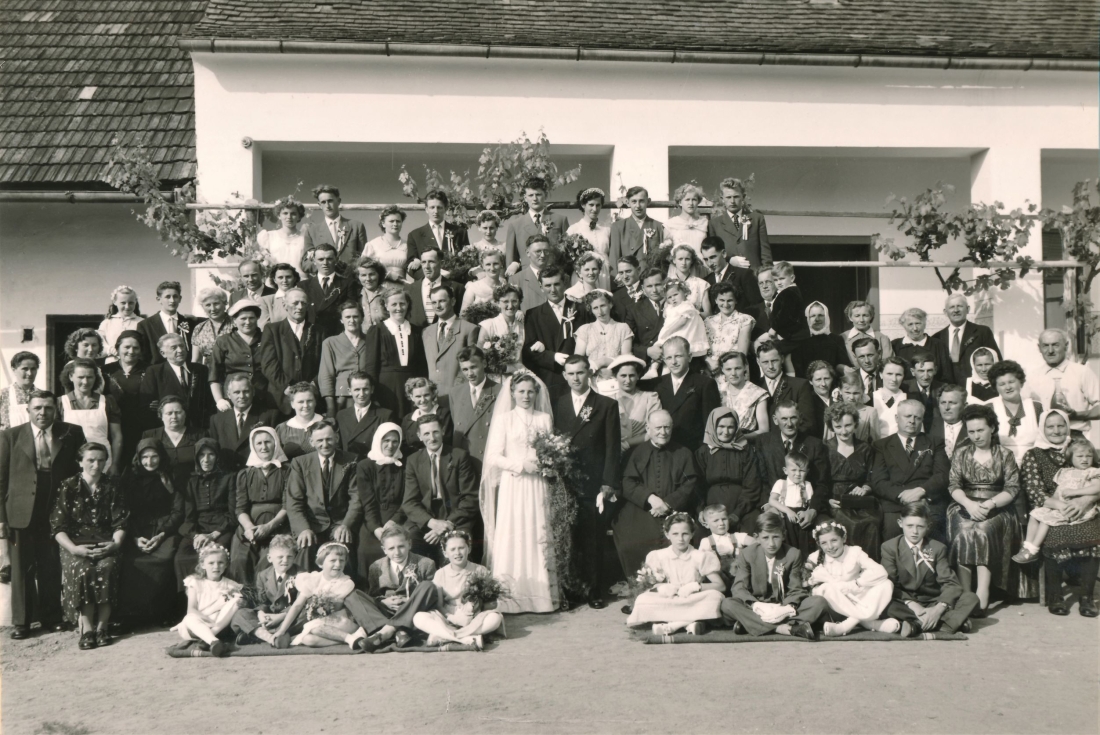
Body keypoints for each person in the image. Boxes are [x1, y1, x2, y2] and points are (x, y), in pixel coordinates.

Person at [0, 391, 85, 638]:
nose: (43, 413)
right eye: (37, 408)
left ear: (55, 410)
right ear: (28, 410)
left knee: (50, 563)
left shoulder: (71, 433)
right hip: (21, 510)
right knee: (22, 566)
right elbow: (1, 480)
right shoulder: (10, 436)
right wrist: (2, 520)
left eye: (48, 408)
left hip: (56, 507)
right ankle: (22, 622)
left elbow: (78, 473)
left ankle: (52, 616)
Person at [554, 357, 622, 608]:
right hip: (566, 482)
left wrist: (608, 483)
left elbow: (613, 448)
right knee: (568, 538)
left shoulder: (605, 405)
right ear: (564, 375)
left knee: (593, 539)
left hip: (594, 483)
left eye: (580, 373)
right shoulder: (559, 404)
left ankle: (594, 590)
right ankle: (571, 591)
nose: (575, 378)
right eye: (570, 373)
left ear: (589, 373)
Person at [1019, 409, 1100, 617]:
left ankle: (1087, 597)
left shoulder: (1080, 448)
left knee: (1092, 535)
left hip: (1085, 508)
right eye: (1050, 426)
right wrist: (1060, 506)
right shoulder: (1034, 454)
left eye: (1061, 425)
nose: (1056, 430)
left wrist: (1084, 502)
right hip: (1053, 508)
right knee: (1054, 535)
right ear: (1042, 428)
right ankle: (1055, 596)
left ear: (1067, 426)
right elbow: (1034, 491)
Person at [51, 442, 128, 649]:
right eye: (91, 460)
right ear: (80, 462)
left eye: (101, 460)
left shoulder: (112, 486)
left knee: (107, 568)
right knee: (84, 570)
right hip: (75, 545)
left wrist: (116, 544)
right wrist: (74, 549)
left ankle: (103, 627)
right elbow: (58, 527)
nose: (96, 464)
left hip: (106, 543)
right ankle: (87, 628)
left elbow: (120, 522)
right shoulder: (68, 486)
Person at [947, 404, 1023, 612]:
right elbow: (953, 485)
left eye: (980, 430)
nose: (976, 436)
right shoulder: (961, 454)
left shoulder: (1005, 454)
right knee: (963, 532)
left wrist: (989, 504)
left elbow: (1012, 487)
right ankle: (965, 594)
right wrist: (970, 505)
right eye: (971, 431)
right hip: (965, 503)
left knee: (983, 531)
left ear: (992, 428)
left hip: (997, 504)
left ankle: (982, 592)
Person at [613, 410, 700, 578]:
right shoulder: (635, 452)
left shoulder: (683, 452)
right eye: (658, 427)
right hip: (642, 508)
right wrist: (650, 498)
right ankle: (639, 586)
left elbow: (691, 483)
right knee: (630, 543)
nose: (663, 432)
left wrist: (668, 503)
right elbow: (627, 482)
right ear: (648, 428)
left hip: (675, 508)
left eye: (667, 427)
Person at [718, 512, 825, 640]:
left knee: (819, 602)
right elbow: (739, 587)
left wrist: (787, 607)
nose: (771, 543)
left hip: (782, 605)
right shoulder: (747, 554)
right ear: (757, 538)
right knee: (727, 604)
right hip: (757, 606)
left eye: (775, 537)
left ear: (783, 536)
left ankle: (750, 624)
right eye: (765, 538)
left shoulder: (793, 554)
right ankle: (786, 628)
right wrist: (755, 605)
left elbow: (796, 588)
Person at [880, 501, 979, 636]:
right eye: (909, 526)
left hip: (933, 601)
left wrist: (937, 609)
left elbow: (951, 584)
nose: (914, 531)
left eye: (920, 526)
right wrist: (912, 604)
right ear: (900, 523)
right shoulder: (889, 547)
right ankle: (948, 623)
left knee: (970, 597)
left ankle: (917, 625)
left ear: (928, 527)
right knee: (881, 602)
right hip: (905, 602)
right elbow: (890, 584)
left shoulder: (937, 548)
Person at [626, 513, 725, 636]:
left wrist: (696, 586)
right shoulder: (657, 556)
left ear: (692, 534)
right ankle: (689, 622)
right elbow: (646, 585)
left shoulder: (700, 556)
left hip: (692, 598)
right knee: (643, 599)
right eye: (675, 534)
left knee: (715, 597)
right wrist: (660, 587)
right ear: (667, 534)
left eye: (685, 534)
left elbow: (720, 586)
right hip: (668, 598)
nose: (680, 539)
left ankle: (672, 625)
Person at [118, 438, 183, 626]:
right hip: (137, 530)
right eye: (145, 457)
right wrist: (135, 537)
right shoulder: (129, 477)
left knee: (166, 558)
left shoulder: (171, 475)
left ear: (161, 456)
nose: (150, 461)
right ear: (138, 458)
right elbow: (124, 512)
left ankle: (162, 613)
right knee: (130, 560)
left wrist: (162, 534)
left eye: (154, 456)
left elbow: (178, 510)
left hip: (166, 529)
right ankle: (135, 616)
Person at [754, 400, 831, 555]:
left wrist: (813, 510)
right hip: (774, 505)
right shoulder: (764, 442)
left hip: (805, 507)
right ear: (776, 420)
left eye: (793, 418)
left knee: (824, 527)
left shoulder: (814, 444)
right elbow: (760, 479)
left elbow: (822, 483)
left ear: (800, 418)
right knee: (767, 525)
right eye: (784, 419)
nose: (789, 423)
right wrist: (769, 505)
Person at [402, 414, 479, 565]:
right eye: (426, 434)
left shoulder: (459, 456)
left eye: (435, 432)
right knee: (411, 547)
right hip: (426, 519)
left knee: (454, 551)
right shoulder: (413, 461)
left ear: (443, 431)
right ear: (419, 436)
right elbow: (409, 502)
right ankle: (419, 587)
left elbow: (470, 499)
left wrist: (447, 524)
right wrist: (432, 523)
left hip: (456, 517)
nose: (432, 437)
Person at [284, 420, 359, 573]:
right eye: (319, 440)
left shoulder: (351, 460)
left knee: (342, 546)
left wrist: (345, 525)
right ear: (311, 442)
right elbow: (294, 501)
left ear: (336, 438)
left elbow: (356, 498)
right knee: (305, 546)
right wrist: (303, 529)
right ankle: (303, 591)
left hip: (339, 522)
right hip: (311, 523)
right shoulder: (300, 463)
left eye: (329, 439)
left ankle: (344, 589)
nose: (325, 444)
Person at [871, 399, 950, 541]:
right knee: (891, 530)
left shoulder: (934, 442)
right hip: (896, 503)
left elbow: (942, 475)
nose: (912, 421)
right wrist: (903, 496)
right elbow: (879, 481)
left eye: (917, 417)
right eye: (907, 416)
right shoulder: (881, 445)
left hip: (927, 501)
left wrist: (921, 491)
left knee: (934, 528)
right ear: (897, 418)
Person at [412, 529, 504, 649]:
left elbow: (489, 603)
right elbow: (439, 605)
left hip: (473, 618)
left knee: (495, 618)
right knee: (418, 617)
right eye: (452, 549)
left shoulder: (480, 571)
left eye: (461, 548)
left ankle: (444, 637)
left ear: (469, 549)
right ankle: (467, 639)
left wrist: (473, 610)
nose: (458, 552)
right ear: (445, 553)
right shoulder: (441, 574)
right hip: (447, 617)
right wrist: (452, 618)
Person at [804, 521, 898, 637]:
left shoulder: (855, 552)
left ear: (844, 538)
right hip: (836, 604)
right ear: (819, 544)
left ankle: (846, 625)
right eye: (824, 543)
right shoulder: (815, 558)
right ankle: (869, 623)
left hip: (857, 596)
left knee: (886, 583)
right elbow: (808, 585)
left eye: (834, 540)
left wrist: (855, 584)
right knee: (825, 589)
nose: (830, 547)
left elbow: (880, 572)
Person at [1014, 438, 1100, 563]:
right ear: (1071, 458)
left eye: (1089, 456)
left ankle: (1033, 550)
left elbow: (1097, 488)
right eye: (1080, 456)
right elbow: (1058, 491)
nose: (1084, 459)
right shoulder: (1065, 472)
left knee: (1045, 520)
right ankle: (1027, 546)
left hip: (1079, 508)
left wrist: (1074, 492)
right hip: (1062, 505)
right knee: (1035, 514)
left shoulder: (1092, 472)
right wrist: (1050, 504)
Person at [360, 525, 442, 649]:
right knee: (356, 594)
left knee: (428, 586)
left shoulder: (426, 563)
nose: (397, 552)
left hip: (414, 610)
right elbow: (373, 595)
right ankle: (400, 631)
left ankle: (387, 631)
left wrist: (410, 601)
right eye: (391, 548)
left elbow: (431, 596)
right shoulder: (376, 566)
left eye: (401, 546)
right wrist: (383, 601)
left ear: (409, 544)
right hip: (387, 611)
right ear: (384, 549)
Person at [230, 428, 291, 584]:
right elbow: (240, 508)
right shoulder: (245, 473)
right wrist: (249, 528)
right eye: (259, 443)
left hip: (278, 525)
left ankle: (265, 600)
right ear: (253, 446)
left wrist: (269, 527)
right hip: (249, 528)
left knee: (267, 562)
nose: (264, 447)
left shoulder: (287, 471)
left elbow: (288, 505)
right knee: (239, 559)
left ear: (275, 443)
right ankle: (245, 600)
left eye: (267, 442)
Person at [522, 265, 589, 403]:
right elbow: (529, 351)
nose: (553, 290)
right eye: (547, 285)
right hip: (551, 379)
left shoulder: (581, 310)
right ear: (541, 287)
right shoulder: (533, 315)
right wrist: (552, 357)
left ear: (565, 284)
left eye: (557, 284)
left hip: (580, 377)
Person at [174, 438, 235, 591]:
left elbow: (233, 512)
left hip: (222, 528)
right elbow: (189, 516)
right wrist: (195, 535)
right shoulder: (192, 481)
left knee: (216, 557)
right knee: (182, 557)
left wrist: (214, 534)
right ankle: (190, 600)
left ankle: (216, 597)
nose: (206, 459)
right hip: (199, 529)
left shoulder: (228, 478)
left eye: (211, 454)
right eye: (202, 455)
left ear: (217, 457)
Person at [824, 401, 881, 561]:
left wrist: (866, 487)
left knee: (872, 522)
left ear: (856, 424)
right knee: (848, 523)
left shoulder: (865, 449)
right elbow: (819, 481)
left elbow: (872, 475)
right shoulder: (825, 449)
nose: (844, 431)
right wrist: (827, 499)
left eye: (848, 425)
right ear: (831, 427)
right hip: (836, 500)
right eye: (838, 426)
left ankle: (869, 568)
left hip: (860, 500)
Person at [281, 542, 361, 648]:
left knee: (313, 627)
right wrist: (282, 631)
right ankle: (352, 638)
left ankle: (350, 637)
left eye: (341, 560)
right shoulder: (313, 579)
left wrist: (317, 608)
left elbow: (335, 609)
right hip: (320, 623)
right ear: (321, 563)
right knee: (307, 639)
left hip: (340, 620)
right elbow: (297, 605)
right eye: (333, 560)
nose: (338, 564)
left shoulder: (345, 582)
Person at [695, 407, 762, 533]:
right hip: (711, 506)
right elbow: (697, 487)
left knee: (751, 526)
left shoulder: (746, 451)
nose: (726, 432)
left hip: (742, 506)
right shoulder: (703, 452)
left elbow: (752, 485)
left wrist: (737, 513)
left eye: (730, 427)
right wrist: (701, 511)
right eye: (721, 426)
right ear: (713, 426)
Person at [364, 287, 428, 416]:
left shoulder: (417, 331)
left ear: (408, 304)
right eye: (394, 304)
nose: (399, 308)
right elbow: (371, 366)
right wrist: (374, 394)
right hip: (386, 388)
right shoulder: (377, 330)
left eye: (402, 303)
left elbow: (421, 366)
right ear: (386, 306)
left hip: (413, 388)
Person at [259, 288, 323, 415]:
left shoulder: (318, 330)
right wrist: (286, 387)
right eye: (295, 303)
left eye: (303, 303)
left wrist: (312, 386)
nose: (300, 307)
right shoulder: (272, 330)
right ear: (284, 305)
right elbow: (268, 364)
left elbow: (324, 363)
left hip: (311, 399)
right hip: (282, 398)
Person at [706, 177, 770, 305]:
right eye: (728, 197)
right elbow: (713, 254)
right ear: (722, 198)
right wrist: (729, 259)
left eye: (736, 197)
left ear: (743, 197)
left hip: (753, 276)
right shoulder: (715, 223)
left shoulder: (757, 219)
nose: (732, 201)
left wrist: (768, 277)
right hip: (729, 279)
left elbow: (765, 252)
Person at [230, 534, 302, 646]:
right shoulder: (263, 575)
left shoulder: (301, 574)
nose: (285, 560)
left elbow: (300, 603)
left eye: (289, 556)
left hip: (289, 617)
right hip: (269, 617)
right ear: (269, 558)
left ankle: (254, 634)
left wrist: (280, 616)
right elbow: (262, 602)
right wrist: (261, 613)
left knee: (306, 615)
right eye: (280, 557)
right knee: (240, 613)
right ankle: (270, 638)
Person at [172, 542, 241, 657]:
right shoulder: (195, 582)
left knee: (238, 599)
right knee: (189, 618)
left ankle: (210, 640)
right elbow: (191, 610)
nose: (216, 567)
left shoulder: (231, 585)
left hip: (219, 625)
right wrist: (207, 619)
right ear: (203, 565)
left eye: (220, 563)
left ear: (226, 565)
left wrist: (215, 623)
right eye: (211, 563)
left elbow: (230, 609)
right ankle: (213, 641)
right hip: (197, 625)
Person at [355, 423, 407, 573]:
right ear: (378, 440)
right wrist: (376, 529)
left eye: (395, 441)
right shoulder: (365, 466)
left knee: (400, 547)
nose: (390, 445)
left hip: (400, 517)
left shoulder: (405, 465)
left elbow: (408, 500)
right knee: (366, 550)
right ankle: (369, 592)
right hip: (372, 518)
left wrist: (394, 521)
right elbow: (367, 502)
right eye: (386, 440)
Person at [1030, 329, 1100, 436]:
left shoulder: (1082, 372)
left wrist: (1076, 415)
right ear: (1039, 348)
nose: (1050, 350)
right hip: (1042, 439)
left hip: (1075, 438)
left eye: (1055, 345)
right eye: (1045, 346)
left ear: (1066, 346)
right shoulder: (1032, 376)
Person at [656, 337, 721, 451]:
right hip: (663, 450)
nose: (674, 362)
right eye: (669, 357)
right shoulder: (658, 383)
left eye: (678, 356)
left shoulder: (705, 384)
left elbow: (710, 425)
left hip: (693, 450)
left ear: (690, 357)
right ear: (664, 360)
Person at [60, 358, 123, 475]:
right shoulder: (60, 402)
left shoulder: (107, 401)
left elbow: (116, 436)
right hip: (70, 461)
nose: (85, 382)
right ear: (70, 377)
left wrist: (115, 464)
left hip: (102, 461)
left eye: (90, 377)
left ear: (96, 378)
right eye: (80, 377)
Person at [206, 374, 280, 471]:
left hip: (256, 474)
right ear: (228, 394)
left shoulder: (269, 416)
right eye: (237, 392)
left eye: (246, 391)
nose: (242, 396)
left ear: (253, 392)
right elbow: (214, 452)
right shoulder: (216, 420)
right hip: (227, 477)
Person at [140, 333, 212, 432]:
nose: (180, 350)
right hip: (169, 429)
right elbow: (148, 404)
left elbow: (208, 400)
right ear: (163, 353)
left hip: (198, 427)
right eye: (174, 347)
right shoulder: (154, 372)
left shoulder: (201, 369)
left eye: (182, 346)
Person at [209, 299, 268, 414]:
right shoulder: (224, 341)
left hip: (263, 396)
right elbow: (214, 375)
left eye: (251, 318)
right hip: (233, 399)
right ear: (234, 320)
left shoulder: (266, 338)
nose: (248, 322)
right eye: (243, 318)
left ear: (257, 319)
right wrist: (219, 400)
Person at [142, 396, 207, 495]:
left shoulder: (200, 435)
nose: (174, 417)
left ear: (185, 414)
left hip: (194, 490)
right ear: (161, 416)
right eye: (169, 413)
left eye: (178, 412)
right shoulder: (150, 436)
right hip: (160, 491)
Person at [448, 347, 501, 469]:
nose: (469, 374)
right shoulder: (455, 393)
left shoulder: (500, 391)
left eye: (473, 367)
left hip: (488, 460)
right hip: (463, 464)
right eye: (465, 369)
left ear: (484, 363)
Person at [423, 284, 481, 395]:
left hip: (459, 393)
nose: (438, 306)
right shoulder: (426, 332)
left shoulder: (469, 329)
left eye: (442, 301)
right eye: (434, 302)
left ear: (453, 301)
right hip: (432, 397)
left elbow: (472, 365)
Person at [933, 293, 1001, 384]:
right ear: (945, 312)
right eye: (952, 307)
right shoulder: (937, 337)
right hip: (947, 390)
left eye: (960, 306)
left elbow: (996, 361)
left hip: (975, 387)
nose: (956, 310)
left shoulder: (982, 332)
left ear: (968, 309)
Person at [504, 177, 570, 269]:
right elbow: (510, 260)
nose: (534, 199)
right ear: (525, 198)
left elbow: (567, 255)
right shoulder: (515, 225)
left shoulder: (560, 220)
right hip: (527, 277)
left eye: (538, 194)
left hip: (554, 276)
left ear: (545, 195)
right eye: (531, 195)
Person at [573, 290, 632, 392]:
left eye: (603, 305)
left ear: (610, 304)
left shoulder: (623, 328)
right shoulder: (584, 330)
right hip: (592, 384)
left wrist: (605, 362)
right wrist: (595, 368)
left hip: (618, 382)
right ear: (590, 310)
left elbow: (626, 358)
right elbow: (578, 361)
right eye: (595, 308)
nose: (600, 312)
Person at [765, 451, 822, 556]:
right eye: (794, 470)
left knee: (804, 540)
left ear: (807, 471)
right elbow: (772, 500)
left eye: (802, 470)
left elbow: (810, 503)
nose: (798, 474)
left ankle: (803, 561)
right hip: (785, 515)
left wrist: (807, 512)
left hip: (801, 516)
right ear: (785, 471)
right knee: (787, 540)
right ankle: (788, 559)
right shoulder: (781, 483)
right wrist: (788, 511)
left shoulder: (807, 485)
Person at [318, 301, 369, 416]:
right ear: (341, 320)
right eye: (347, 317)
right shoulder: (330, 342)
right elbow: (326, 375)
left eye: (356, 316)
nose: (352, 320)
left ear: (362, 319)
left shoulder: (370, 340)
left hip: (366, 395)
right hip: (342, 398)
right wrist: (330, 406)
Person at [988, 360, 1043, 464]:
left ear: (1021, 382)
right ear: (996, 387)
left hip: (1034, 465)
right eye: (1002, 384)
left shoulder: (1036, 407)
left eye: (1011, 382)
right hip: (1000, 465)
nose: (1008, 387)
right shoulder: (990, 408)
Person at [754, 341, 815, 434]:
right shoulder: (753, 387)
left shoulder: (800, 385)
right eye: (765, 362)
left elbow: (807, 423)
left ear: (782, 359)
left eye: (774, 361)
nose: (770, 366)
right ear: (758, 362)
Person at [300, 244, 358, 339]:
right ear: (314, 261)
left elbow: (350, 311)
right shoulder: (303, 286)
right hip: (311, 335)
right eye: (321, 259)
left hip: (337, 334)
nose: (325, 263)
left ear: (336, 260)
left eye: (329, 259)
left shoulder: (347, 284)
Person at [761, 261, 810, 371]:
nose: (778, 283)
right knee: (786, 359)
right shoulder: (790, 292)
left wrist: (774, 329)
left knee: (770, 350)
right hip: (791, 335)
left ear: (792, 278)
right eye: (776, 280)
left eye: (782, 279)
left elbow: (785, 314)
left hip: (793, 336)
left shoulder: (789, 293)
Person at [304, 184, 368, 270]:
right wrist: (324, 268)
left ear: (338, 201)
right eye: (323, 202)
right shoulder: (311, 231)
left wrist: (349, 270)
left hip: (350, 279)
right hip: (325, 280)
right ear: (319, 205)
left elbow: (363, 257)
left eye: (330, 201)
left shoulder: (356, 226)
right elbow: (306, 263)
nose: (327, 205)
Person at [607, 355, 661, 454]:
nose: (628, 380)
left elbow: (654, 430)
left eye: (631, 375)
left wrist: (627, 443)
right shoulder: (608, 399)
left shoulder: (650, 398)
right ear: (615, 376)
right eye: (623, 376)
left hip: (642, 451)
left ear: (638, 376)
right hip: (614, 452)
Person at [335, 371, 393, 457]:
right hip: (347, 465)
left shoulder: (385, 415)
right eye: (357, 389)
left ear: (372, 390)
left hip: (371, 465)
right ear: (349, 391)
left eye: (365, 389)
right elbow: (337, 446)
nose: (361, 394)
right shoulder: (341, 415)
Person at [136, 280, 194, 366]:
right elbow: (143, 355)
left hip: (184, 370)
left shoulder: (190, 322)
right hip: (157, 371)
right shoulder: (145, 325)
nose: (172, 300)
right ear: (159, 299)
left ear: (180, 299)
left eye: (175, 296)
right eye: (167, 297)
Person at [696, 504, 756, 584]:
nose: (721, 523)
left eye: (724, 519)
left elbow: (755, 543)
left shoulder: (737, 536)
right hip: (719, 578)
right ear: (706, 525)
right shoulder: (706, 541)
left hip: (738, 576)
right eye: (716, 520)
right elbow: (700, 562)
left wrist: (744, 554)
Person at [653, 279, 709, 363]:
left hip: (683, 331)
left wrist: (669, 331)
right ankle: (654, 367)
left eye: (675, 294)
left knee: (675, 349)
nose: (673, 299)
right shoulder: (671, 307)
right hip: (673, 331)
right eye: (669, 297)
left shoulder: (686, 306)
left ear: (685, 292)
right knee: (660, 347)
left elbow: (682, 322)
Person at [609, 186, 666, 266]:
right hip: (628, 275)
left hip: (651, 275)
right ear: (628, 202)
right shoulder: (618, 227)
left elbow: (663, 260)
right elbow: (614, 259)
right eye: (634, 201)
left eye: (641, 201)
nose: (638, 206)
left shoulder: (658, 226)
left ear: (648, 201)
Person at [407, 190, 470, 261]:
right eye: (432, 207)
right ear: (426, 209)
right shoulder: (415, 235)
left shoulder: (460, 232)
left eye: (439, 207)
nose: (436, 211)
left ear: (445, 209)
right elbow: (411, 264)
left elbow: (466, 260)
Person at [891, 308, 953, 381]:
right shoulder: (895, 345)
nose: (915, 328)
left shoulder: (938, 345)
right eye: (910, 324)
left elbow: (947, 376)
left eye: (918, 323)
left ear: (924, 324)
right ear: (904, 326)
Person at [704, 281, 755, 371]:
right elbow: (701, 347)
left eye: (730, 300)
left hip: (733, 370)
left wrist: (722, 367)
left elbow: (742, 353)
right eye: (722, 300)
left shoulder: (744, 320)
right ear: (716, 300)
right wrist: (709, 362)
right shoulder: (708, 321)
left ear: (736, 301)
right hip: (709, 370)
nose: (726, 304)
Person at [794, 301, 851, 379]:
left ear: (827, 317)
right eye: (813, 316)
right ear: (807, 318)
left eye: (820, 315)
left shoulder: (836, 339)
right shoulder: (800, 341)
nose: (817, 319)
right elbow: (799, 371)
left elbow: (842, 365)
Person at [477, 284, 525, 375]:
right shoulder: (488, 325)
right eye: (505, 301)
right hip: (495, 377)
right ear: (497, 302)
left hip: (519, 375)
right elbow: (479, 358)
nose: (510, 306)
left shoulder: (523, 326)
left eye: (514, 301)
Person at [625, 268, 666, 375]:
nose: (654, 290)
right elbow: (627, 343)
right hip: (647, 365)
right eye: (649, 286)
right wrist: (647, 351)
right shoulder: (634, 310)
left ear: (665, 284)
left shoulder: (676, 304)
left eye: (658, 285)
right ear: (643, 288)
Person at [566, 188, 611, 283]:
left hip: (604, 274)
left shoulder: (606, 229)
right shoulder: (574, 229)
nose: (595, 209)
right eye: (591, 205)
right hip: (583, 276)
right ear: (583, 205)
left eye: (598, 205)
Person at [258, 197, 309, 280]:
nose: (289, 217)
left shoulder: (305, 238)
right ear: (279, 215)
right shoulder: (269, 236)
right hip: (277, 282)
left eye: (293, 214)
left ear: (299, 216)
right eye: (285, 213)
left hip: (300, 281)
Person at [400, 377, 454, 455]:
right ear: (411, 397)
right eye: (418, 396)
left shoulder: (444, 414)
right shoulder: (407, 419)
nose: (423, 400)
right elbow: (404, 445)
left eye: (426, 395)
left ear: (432, 394)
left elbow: (447, 441)